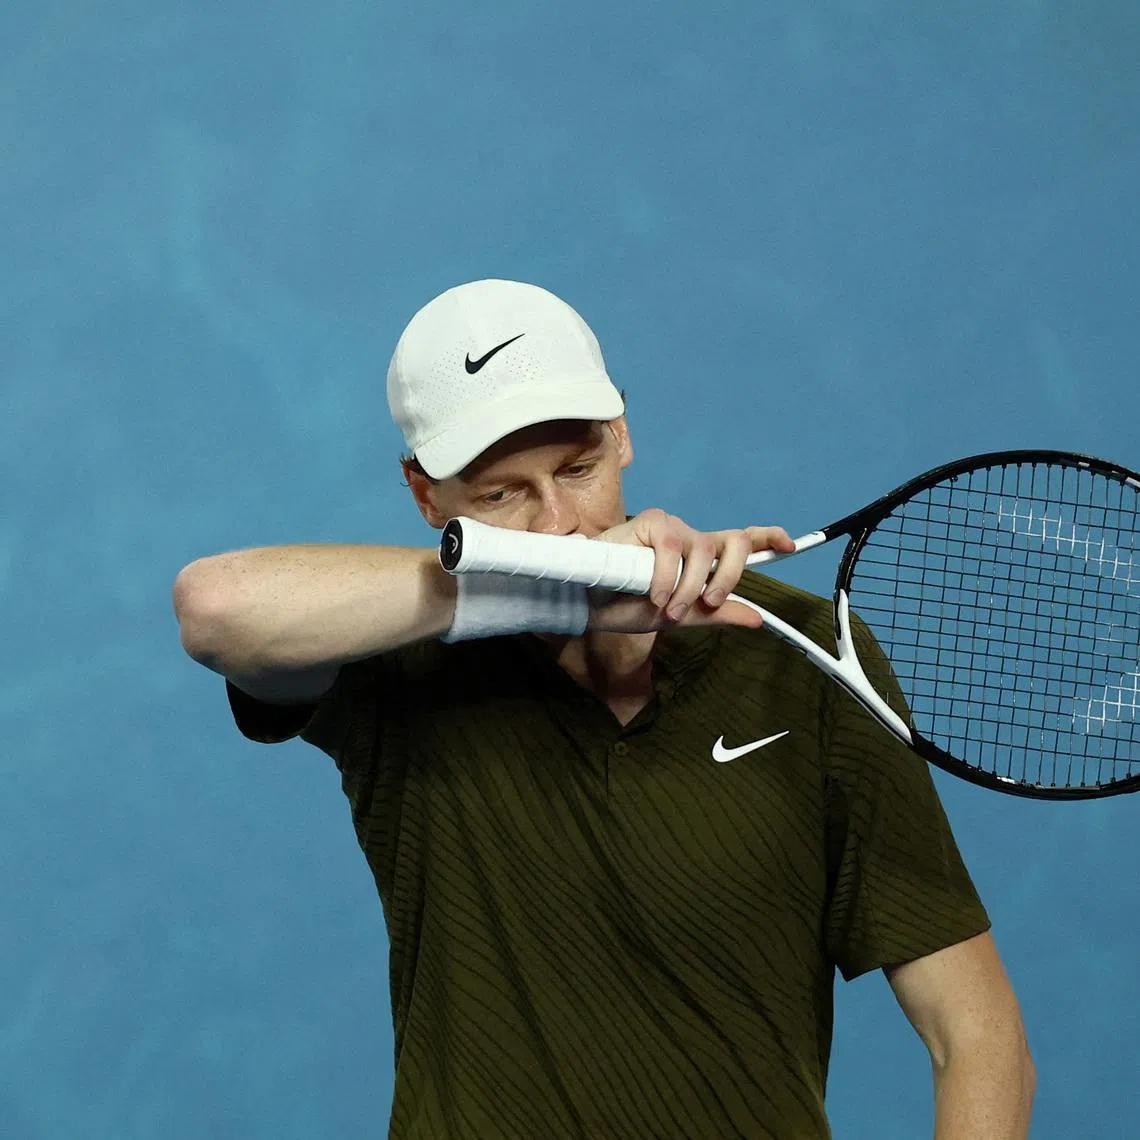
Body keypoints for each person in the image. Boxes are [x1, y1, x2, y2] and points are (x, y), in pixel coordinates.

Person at [173, 279, 1035, 1139]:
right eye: (503, 494)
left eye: (578, 470)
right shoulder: (394, 658)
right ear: (426, 497)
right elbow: (215, 607)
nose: (560, 525)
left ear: (622, 433)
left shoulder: (799, 652)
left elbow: (978, 1037)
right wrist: (559, 599)